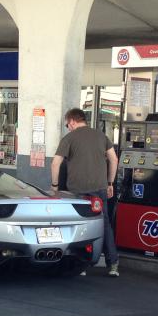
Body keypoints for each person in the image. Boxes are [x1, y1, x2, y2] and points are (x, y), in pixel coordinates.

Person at [50, 108, 120, 277]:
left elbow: (55, 164)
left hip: (77, 192)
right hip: (100, 188)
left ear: (72, 121)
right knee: (104, 224)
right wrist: (110, 182)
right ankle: (113, 265)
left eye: (68, 124)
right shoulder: (101, 136)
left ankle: (80, 265)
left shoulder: (69, 138)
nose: (68, 127)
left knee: (79, 226)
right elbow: (114, 159)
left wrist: (54, 186)